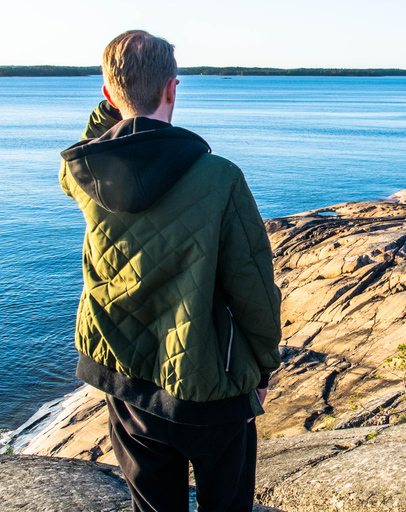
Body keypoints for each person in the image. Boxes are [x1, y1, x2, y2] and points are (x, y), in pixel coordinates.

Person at [59, 30, 282, 512]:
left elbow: (89, 144)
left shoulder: (88, 174)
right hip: (211, 386)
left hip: (127, 381)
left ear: (107, 96)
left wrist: (115, 104)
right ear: (172, 89)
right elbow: (253, 286)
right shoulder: (220, 177)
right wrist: (263, 367)